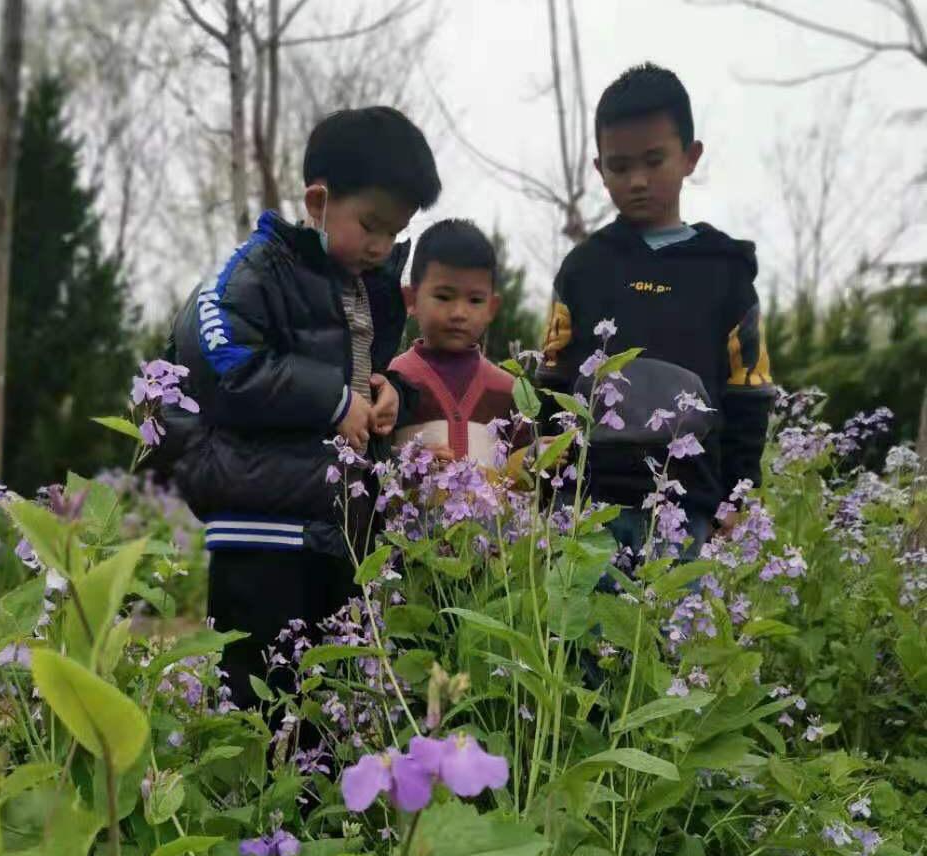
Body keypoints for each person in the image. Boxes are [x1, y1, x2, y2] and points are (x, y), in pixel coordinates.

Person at [164, 106, 441, 708]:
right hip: (261, 533)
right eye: (370, 224)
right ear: (318, 201)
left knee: (329, 709)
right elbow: (223, 360)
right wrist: (335, 400)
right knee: (257, 707)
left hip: (337, 534)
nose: (380, 244)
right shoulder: (257, 268)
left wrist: (385, 390)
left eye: (394, 232)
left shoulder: (365, 286)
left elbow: (358, 373)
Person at [537, 63, 775, 556]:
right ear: (599, 169)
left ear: (690, 157)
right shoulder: (583, 268)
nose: (638, 180)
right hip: (586, 504)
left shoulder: (726, 270)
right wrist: (544, 477)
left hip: (687, 507)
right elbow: (553, 377)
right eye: (620, 167)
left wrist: (740, 494)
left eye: (654, 160)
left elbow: (748, 393)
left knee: (671, 631)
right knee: (578, 632)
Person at [389, 219, 516, 467]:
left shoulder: (508, 390)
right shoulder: (392, 380)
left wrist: (536, 454)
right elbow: (373, 456)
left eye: (475, 300)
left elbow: (519, 471)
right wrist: (409, 461)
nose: (459, 312)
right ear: (411, 299)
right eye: (443, 296)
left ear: (492, 308)